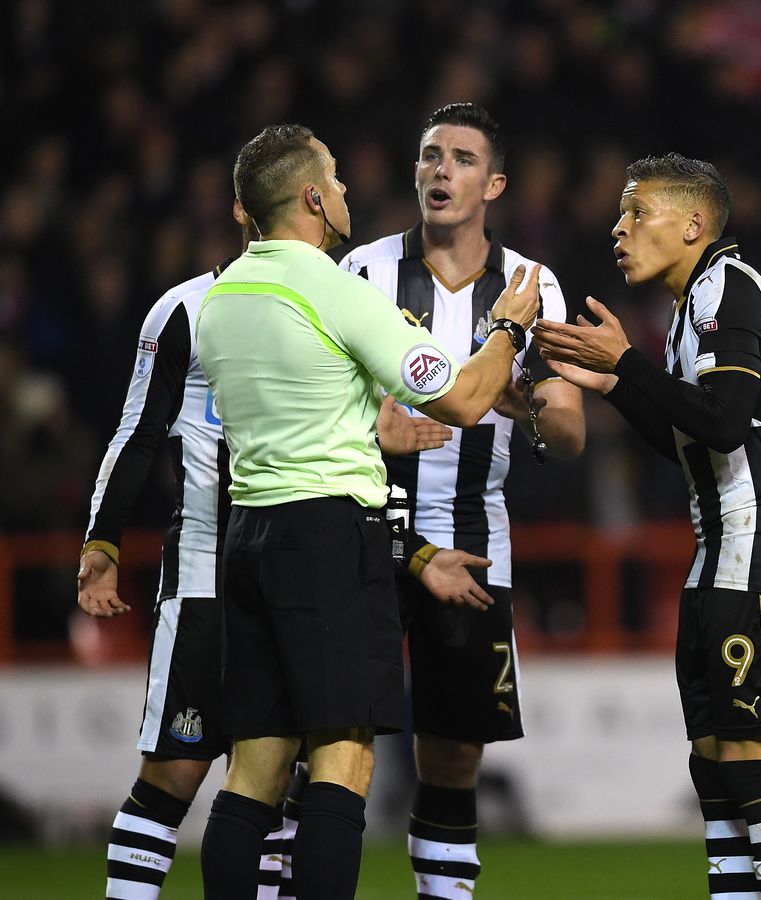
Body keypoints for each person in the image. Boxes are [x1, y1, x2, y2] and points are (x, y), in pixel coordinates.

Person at [193, 123, 538, 900]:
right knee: (343, 761)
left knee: (254, 771)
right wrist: (509, 328)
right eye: (338, 181)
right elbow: (466, 397)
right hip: (328, 540)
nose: (348, 192)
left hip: (248, 536)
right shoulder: (337, 290)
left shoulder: (221, 298)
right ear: (313, 198)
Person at [77, 200, 458, 900]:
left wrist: (383, 447)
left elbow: (330, 440)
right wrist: (103, 537)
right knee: (179, 773)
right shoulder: (190, 308)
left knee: (287, 772)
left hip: (287, 562)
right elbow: (137, 430)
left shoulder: (329, 300)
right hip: (207, 571)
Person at [532, 153, 761, 900]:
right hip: (722, 553)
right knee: (713, 760)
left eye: (638, 213)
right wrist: (615, 383)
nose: (619, 227)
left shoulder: (727, 290)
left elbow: (728, 426)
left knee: (746, 756)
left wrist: (629, 366)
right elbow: (686, 437)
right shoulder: (692, 305)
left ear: (694, 225)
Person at [339, 102, 585, 900]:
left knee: (453, 758)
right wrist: (379, 428)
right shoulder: (363, 272)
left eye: (462, 159)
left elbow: (569, 428)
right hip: (366, 539)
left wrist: (540, 408)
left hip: (476, 544)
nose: (441, 171)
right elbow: (327, 408)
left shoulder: (531, 285)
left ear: (495, 183)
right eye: (430, 156)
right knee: (336, 750)